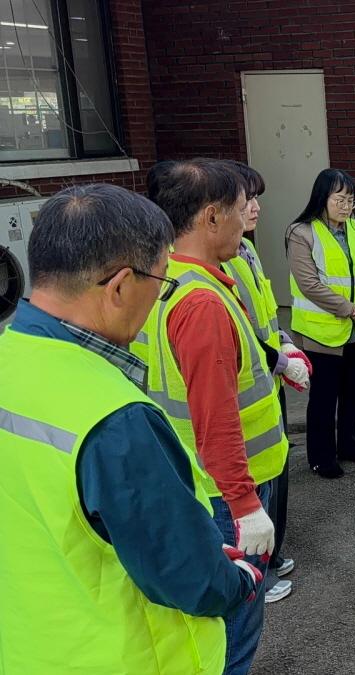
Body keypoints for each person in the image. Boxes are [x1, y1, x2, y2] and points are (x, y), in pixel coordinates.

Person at [0, 184, 260, 673]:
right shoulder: (114, 417)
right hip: (125, 656)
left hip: (27, 647)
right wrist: (240, 578)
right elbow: (192, 580)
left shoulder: (8, 361)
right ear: (120, 287)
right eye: (161, 284)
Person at [138, 158, 288, 675]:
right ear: (209, 217)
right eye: (235, 207)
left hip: (191, 481)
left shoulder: (166, 277)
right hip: (224, 492)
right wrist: (246, 506)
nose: (245, 214)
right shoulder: (202, 303)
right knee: (234, 627)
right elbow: (216, 416)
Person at [221, 160, 307, 603]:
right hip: (248, 388)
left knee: (276, 474)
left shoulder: (248, 251)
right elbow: (244, 333)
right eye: (246, 201)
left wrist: (286, 347)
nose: (255, 209)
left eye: (256, 199)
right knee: (253, 489)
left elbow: (267, 316)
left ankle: (272, 557)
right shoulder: (219, 266)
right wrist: (279, 360)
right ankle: (260, 572)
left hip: (266, 381)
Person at [287, 168, 355, 476]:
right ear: (322, 197)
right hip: (323, 333)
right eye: (339, 199)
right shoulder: (301, 232)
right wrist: (350, 308)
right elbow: (308, 284)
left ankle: (349, 443)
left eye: (351, 200)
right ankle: (321, 456)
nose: (346, 206)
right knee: (324, 399)